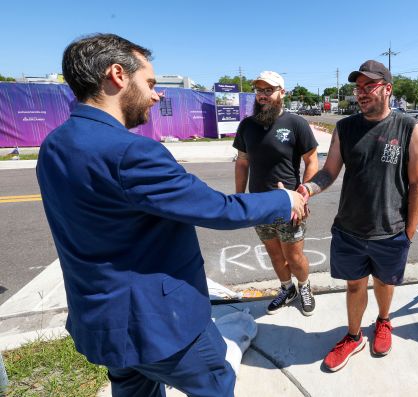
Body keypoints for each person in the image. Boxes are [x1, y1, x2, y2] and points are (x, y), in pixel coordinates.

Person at [36, 34, 306, 397]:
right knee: (216, 387)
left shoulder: (54, 144)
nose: (156, 94)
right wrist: (284, 200)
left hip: (102, 321)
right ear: (117, 75)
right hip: (159, 326)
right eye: (149, 83)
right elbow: (218, 210)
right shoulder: (131, 152)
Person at [298, 60, 418, 371]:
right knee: (354, 286)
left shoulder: (409, 128)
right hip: (350, 229)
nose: (362, 93)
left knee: (384, 282)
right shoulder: (345, 127)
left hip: (391, 229)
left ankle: (384, 321)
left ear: (387, 89)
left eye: (369, 86)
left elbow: (416, 182)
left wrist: (409, 231)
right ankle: (354, 336)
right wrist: (307, 189)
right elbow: (329, 172)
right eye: (359, 87)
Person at [233, 71, 319, 316]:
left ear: (282, 92)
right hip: (260, 204)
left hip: (289, 203)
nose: (262, 95)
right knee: (273, 254)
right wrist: (240, 197)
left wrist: (304, 194)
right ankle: (286, 288)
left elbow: (311, 161)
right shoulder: (247, 126)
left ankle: (304, 286)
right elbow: (242, 162)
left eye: (268, 90)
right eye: (259, 90)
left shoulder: (295, 124)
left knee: (294, 256)